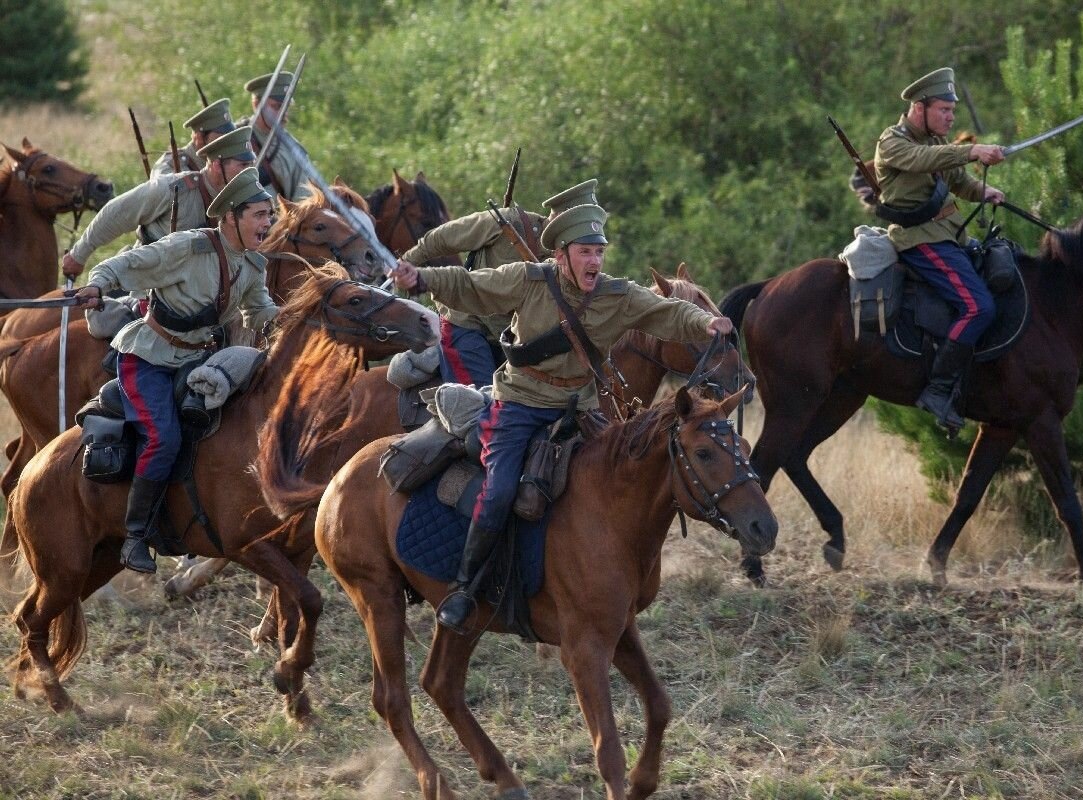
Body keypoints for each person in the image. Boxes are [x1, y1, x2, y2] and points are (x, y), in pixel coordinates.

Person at [390, 203, 734, 633]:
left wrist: (705, 323)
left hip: (580, 408)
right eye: (585, 251)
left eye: (599, 252)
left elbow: (666, 311)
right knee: (499, 491)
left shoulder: (616, 295)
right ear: (561, 254)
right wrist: (421, 278)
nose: (595, 261)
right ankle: (464, 586)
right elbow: (470, 286)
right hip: (518, 404)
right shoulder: (527, 280)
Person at [74, 168, 279, 573]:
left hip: (196, 361)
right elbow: (128, 263)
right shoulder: (188, 248)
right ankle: (136, 536)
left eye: (269, 215)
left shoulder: (253, 265)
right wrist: (98, 283)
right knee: (163, 438)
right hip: (147, 358)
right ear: (231, 217)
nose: (267, 223)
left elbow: (259, 311)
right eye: (259, 214)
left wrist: (295, 317)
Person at [873, 67, 1005, 434]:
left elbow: (959, 182)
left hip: (949, 236)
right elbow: (924, 160)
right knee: (978, 307)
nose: (950, 117)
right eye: (944, 110)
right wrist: (972, 150)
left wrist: (985, 191)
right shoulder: (892, 142)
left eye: (952, 111)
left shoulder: (936, 142)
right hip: (919, 239)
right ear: (920, 107)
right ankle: (939, 389)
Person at [401, 179, 600, 387]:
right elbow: (442, 238)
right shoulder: (510, 222)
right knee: (479, 398)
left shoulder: (572, 260)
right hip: (467, 323)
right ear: (561, 220)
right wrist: (404, 265)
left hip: (510, 340)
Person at [62, 126, 257, 279]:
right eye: (243, 165)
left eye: (251, 164)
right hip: (148, 285)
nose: (250, 171)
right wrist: (79, 255)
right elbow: (117, 213)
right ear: (217, 165)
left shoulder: (243, 199)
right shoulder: (175, 189)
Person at [241, 70, 312, 202]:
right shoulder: (234, 140)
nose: (284, 113)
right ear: (257, 105)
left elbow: (303, 202)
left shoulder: (295, 151)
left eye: (286, 107)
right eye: (277, 107)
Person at [150, 97, 236, 178]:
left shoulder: (230, 161)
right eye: (220, 138)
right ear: (199, 137)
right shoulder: (169, 167)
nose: (227, 142)